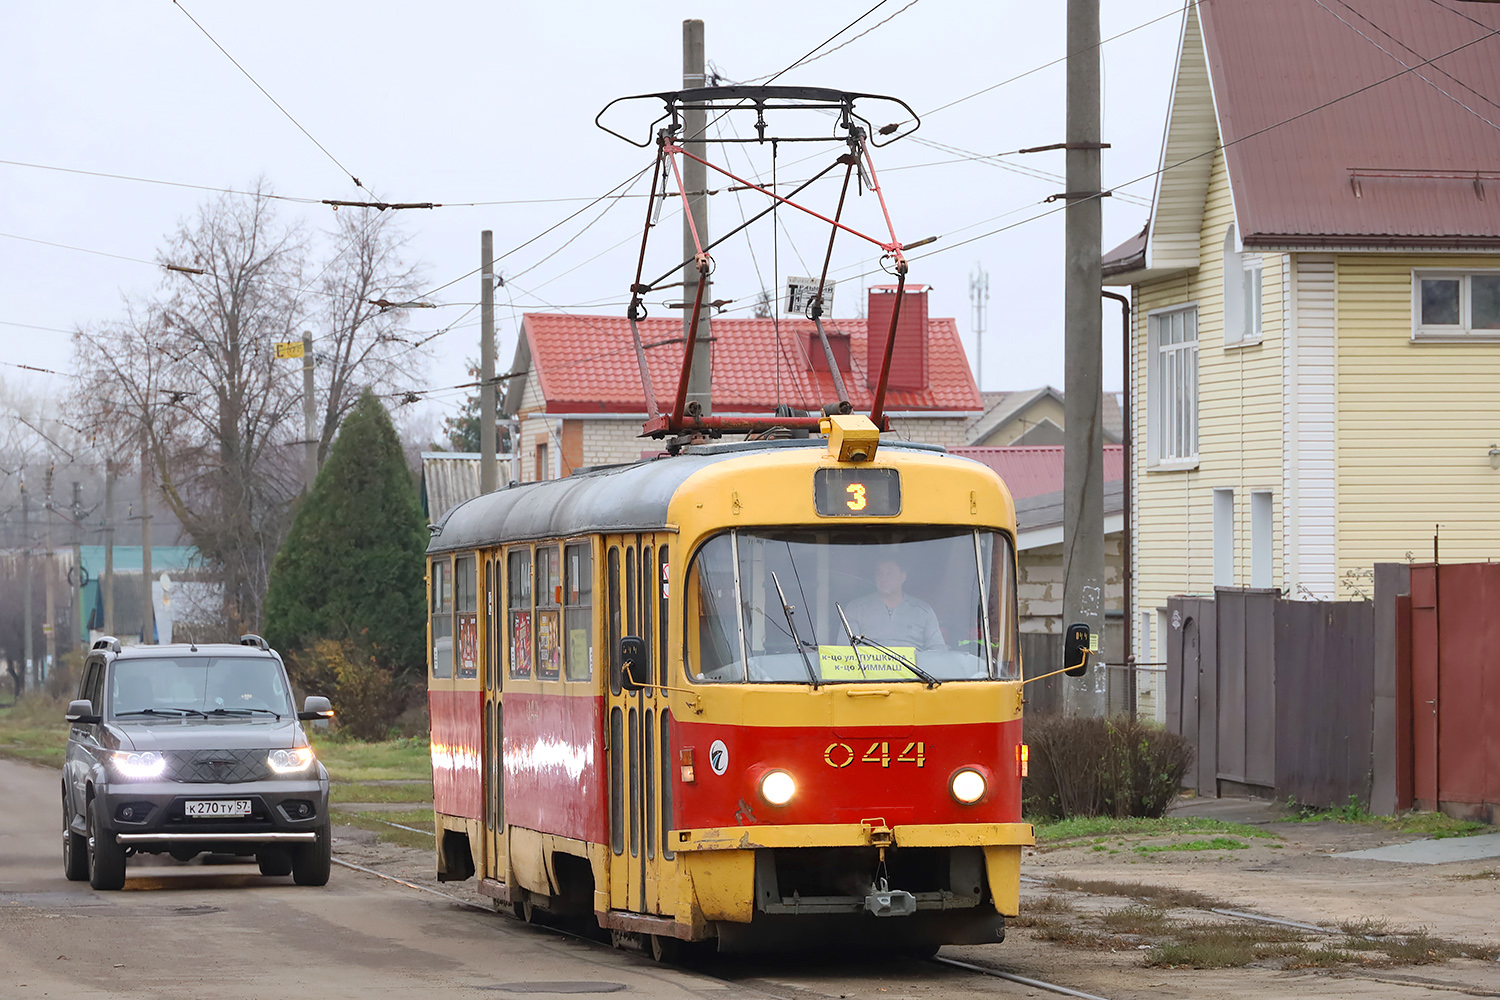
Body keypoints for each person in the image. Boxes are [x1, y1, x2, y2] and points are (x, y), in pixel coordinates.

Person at [844, 556, 946, 650]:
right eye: (879, 573)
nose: (884, 579)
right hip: (866, 669)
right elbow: (844, 652)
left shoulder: (923, 611)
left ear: (903, 577)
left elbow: (938, 652)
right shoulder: (855, 609)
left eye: (890, 573)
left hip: (913, 669)